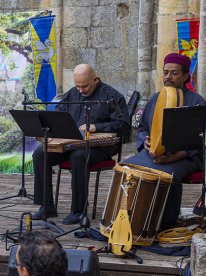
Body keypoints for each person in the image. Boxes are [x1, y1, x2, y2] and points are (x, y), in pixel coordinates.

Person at [32, 64, 129, 224]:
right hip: (71, 143)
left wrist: (96, 127)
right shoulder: (72, 94)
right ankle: (46, 206)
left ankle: (78, 210)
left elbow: (124, 125)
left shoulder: (112, 96)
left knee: (78, 157)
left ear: (95, 80)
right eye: (77, 86)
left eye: (85, 86)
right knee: (40, 153)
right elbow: (58, 113)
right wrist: (49, 129)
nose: (81, 90)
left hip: (99, 147)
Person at [124, 53, 206, 230]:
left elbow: (199, 140)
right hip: (154, 153)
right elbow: (143, 129)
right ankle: (133, 220)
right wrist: (145, 142)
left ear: (185, 76)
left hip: (187, 157)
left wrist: (175, 157)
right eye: (165, 72)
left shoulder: (197, 102)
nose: (168, 77)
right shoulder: (155, 98)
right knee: (125, 168)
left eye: (174, 73)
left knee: (167, 175)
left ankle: (165, 225)